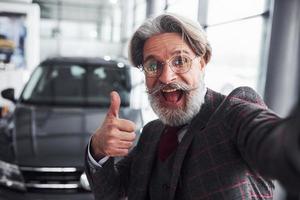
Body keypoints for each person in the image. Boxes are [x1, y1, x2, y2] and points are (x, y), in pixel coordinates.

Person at [85, 13, 300, 200]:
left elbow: (273, 142)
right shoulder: (151, 133)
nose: (166, 77)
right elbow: (110, 193)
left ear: (203, 61)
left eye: (180, 61)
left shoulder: (232, 113)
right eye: (153, 65)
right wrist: (97, 148)